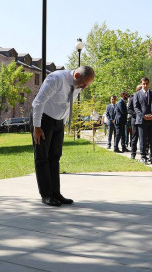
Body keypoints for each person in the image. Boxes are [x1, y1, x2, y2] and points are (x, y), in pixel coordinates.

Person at [31, 66, 95, 206]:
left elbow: (67, 105)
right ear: (77, 75)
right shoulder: (56, 79)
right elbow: (38, 102)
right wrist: (37, 126)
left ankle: (56, 193)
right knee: (42, 158)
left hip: (58, 122)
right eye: (84, 83)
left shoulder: (77, 84)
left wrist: (63, 124)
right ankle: (46, 195)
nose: (84, 87)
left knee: (55, 157)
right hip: (43, 120)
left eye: (87, 85)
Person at [134, 77, 152, 164]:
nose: (145, 85)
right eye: (143, 84)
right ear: (141, 84)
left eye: (146, 83)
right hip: (141, 121)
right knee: (142, 139)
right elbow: (136, 107)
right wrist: (143, 116)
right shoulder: (137, 94)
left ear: (149, 84)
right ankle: (143, 156)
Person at [128, 84, 141, 159]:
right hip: (135, 120)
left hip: (144, 120)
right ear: (136, 90)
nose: (140, 90)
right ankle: (133, 153)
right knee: (134, 137)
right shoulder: (132, 98)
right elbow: (129, 109)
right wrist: (137, 114)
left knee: (144, 138)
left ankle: (145, 152)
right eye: (139, 89)